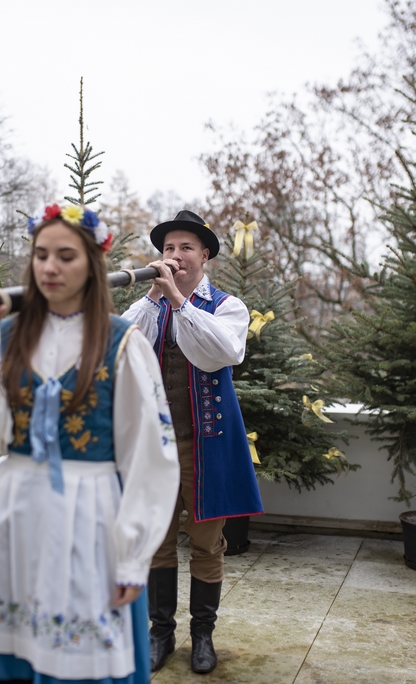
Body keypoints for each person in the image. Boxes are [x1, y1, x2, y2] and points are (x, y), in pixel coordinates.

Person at [0, 203, 179, 684]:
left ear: (92, 264)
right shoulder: (9, 334)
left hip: (88, 519)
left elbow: (151, 458)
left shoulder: (121, 343)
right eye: (41, 255)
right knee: (12, 651)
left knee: (80, 658)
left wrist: (133, 557)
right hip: (13, 516)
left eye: (66, 256)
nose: (50, 267)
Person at [121, 210, 264, 674]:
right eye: (168, 248)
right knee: (157, 542)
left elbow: (221, 353)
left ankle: (202, 635)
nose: (176, 255)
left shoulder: (227, 307)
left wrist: (179, 301)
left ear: (204, 256)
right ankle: (160, 633)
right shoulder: (151, 304)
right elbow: (120, 345)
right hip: (155, 447)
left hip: (208, 447)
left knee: (206, 544)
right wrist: (154, 294)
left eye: (186, 247)